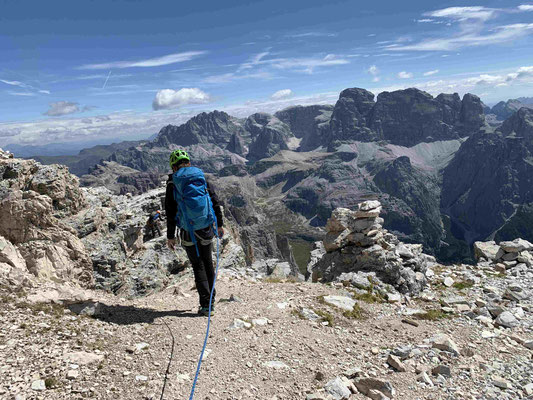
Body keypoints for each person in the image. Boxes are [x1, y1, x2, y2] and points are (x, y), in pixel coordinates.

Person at [165, 149, 224, 316]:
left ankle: (205, 305)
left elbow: (170, 212)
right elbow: (214, 201)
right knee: (208, 264)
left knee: (198, 266)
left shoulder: (172, 183)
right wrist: (219, 224)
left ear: (173, 167)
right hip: (206, 228)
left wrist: (170, 236)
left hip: (188, 231)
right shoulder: (200, 177)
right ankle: (211, 302)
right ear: (188, 163)